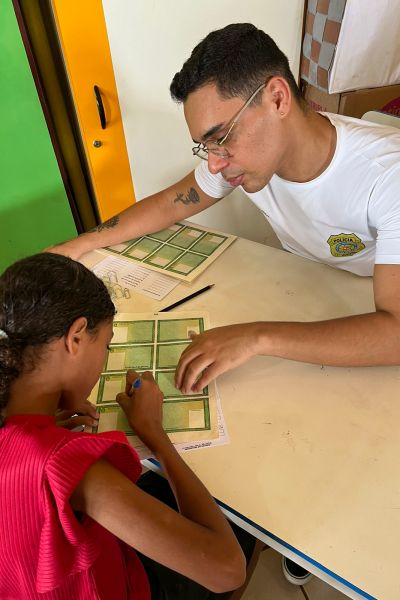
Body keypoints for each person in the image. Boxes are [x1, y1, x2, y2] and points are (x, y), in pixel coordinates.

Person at [47, 23, 400, 393]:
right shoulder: (250, 160)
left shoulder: (386, 176)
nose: (214, 164)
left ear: (278, 99)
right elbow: (170, 203)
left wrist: (256, 338)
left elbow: (394, 334)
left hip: (369, 306)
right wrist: (77, 245)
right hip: (306, 289)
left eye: (222, 137)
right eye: (206, 146)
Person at [0, 252, 252, 599]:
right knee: (241, 520)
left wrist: (42, 423)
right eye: (105, 344)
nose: (105, 357)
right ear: (76, 337)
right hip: (122, 586)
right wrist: (155, 435)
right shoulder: (66, 467)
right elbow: (227, 570)